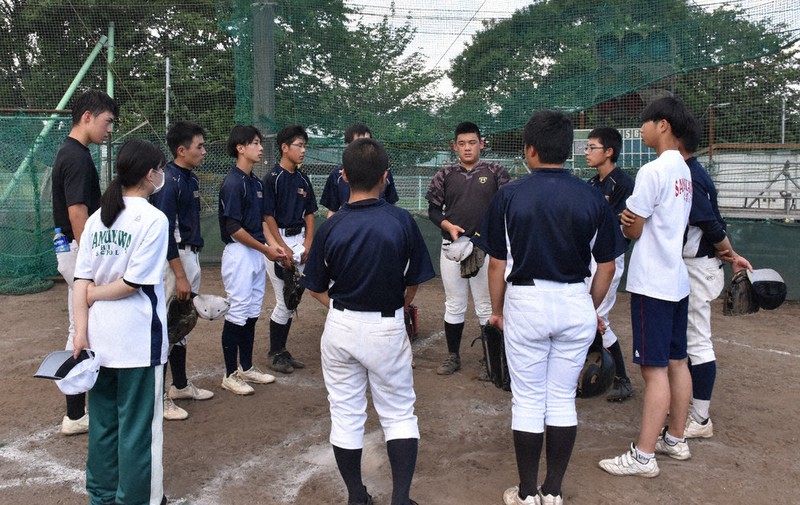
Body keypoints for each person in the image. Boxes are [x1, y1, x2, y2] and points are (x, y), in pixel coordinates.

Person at [474, 110, 625, 505]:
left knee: (527, 400)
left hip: (526, 300)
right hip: (576, 299)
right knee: (560, 399)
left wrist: (497, 311)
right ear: (567, 149)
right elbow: (607, 265)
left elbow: (496, 263)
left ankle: (527, 494)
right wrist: (589, 306)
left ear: (531, 150)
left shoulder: (509, 194)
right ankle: (552, 491)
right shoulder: (592, 194)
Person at [302, 137, 435, 505]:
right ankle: (401, 499)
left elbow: (313, 287)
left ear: (343, 176)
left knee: (345, 415)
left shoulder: (331, 226)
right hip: (386, 325)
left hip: (340, 325)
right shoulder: (401, 220)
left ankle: (357, 497)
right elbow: (414, 282)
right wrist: (399, 305)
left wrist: (342, 310)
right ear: (385, 177)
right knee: (398, 414)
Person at [599, 97, 695, 478]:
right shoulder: (684, 171)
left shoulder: (653, 170)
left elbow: (632, 226)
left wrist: (627, 224)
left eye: (645, 123)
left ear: (663, 125)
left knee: (653, 370)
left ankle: (643, 455)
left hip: (653, 281)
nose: (641, 130)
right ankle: (676, 438)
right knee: (677, 362)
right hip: (675, 279)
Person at [71, 139, 169, 505]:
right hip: (137, 343)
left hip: (100, 341)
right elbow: (131, 284)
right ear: (149, 174)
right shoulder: (153, 219)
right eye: (160, 168)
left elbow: (81, 280)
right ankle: (136, 500)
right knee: (138, 431)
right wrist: (93, 297)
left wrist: (80, 331)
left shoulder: (99, 217)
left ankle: (101, 496)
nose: (163, 175)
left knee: (103, 425)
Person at [51, 89, 119, 435]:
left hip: (73, 250)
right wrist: (89, 264)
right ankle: (75, 414)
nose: (110, 130)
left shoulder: (72, 153)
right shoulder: (76, 157)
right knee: (80, 329)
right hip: (78, 251)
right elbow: (78, 212)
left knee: (81, 327)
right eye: (107, 122)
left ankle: (76, 413)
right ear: (88, 116)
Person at [679, 115, 752, 438]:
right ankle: (690, 407)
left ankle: (701, 418)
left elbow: (710, 224)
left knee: (697, 342)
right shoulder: (691, 171)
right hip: (695, 265)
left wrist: (731, 253)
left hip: (697, 266)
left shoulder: (690, 174)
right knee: (687, 340)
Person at [425, 121, 511, 377]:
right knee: (454, 303)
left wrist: (488, 238)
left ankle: (489, 359)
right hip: (453, 247)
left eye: (472, 142)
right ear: (454, 146)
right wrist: (447, 224)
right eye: (461, 143)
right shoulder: (445, 174)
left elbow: (507, 208)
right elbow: (432, 210)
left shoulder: (496, 171)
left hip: (485, 248)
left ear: (481, 143)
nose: (467, 148)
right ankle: (453, 356)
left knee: (486, 306)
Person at [150, 120, 214, 420]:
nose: (203, 150)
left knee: (183, 323)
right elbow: (164, 234)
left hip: (191, 255)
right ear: (181, 150)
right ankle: (160, 398)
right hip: (174, 260)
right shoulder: (169, 180)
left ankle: (179, 385)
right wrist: (180, 274)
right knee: (166, 327)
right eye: (198, 146)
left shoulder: (190, 178)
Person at [218, 125, 287, 395]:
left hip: (256, 253)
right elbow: (234, 228)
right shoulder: (233, 182)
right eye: (255, 143)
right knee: (236, 312)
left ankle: (246, 367)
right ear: (240, 148)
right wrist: (265, 248)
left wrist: (274, 247)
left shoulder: (255, 182)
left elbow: (260, 222)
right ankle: (229, 373)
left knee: (251, 312)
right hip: (239, 254)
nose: (260, 148)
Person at [585, 127, 636, 402]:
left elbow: (621, 226)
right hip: (591, 257)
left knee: (598, 317)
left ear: (609, 152)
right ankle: (592, 370)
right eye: (587, 147)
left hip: (609, 258)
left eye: (592, 147)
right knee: (588, 316)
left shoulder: (623, 183)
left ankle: (622, 379)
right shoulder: (593, 184)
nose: (587, 152)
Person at [262, 124, 318, 374]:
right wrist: (281, 247)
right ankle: (276, 353)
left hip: (300, 240)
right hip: (278, 239)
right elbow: (267, 216)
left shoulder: (303, 178)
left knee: (293, 299)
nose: (303, 150)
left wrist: (308, 244)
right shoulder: (272, 179)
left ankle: (281, 351)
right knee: (285, 299)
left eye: (305, 145)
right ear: (284, 148)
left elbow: (310, 213)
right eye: (299, 145)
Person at [320, 124, 399, 217]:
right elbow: (332, 210)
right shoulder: (336, 176)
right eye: (359, 143)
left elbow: (392, 205)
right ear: (347, 145)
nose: (364, 147)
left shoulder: (384, 172)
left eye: (368, 142)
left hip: (379, 225)